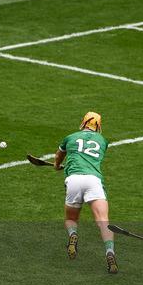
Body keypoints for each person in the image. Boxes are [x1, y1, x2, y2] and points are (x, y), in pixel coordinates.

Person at [54, 112, 118, 274]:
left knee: (71, 218)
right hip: (93, 181)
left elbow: (59, 155)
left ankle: (73, 235)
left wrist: (57, 165)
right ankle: (110, 252)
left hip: (74, 180)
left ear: (83, 122)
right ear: (98, 126)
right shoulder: (103, 141)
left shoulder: (70, 137)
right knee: (104, 220)